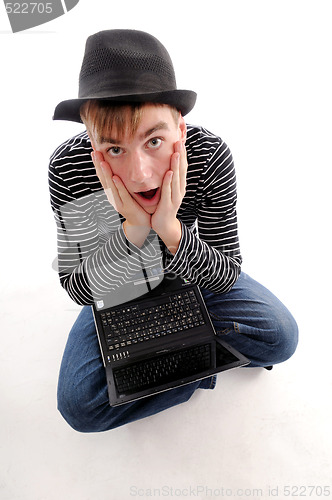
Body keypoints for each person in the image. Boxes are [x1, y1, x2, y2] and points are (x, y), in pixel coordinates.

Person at [49, 29, 298, 432]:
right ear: (91, 140)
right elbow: (79, 289)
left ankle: (165, 361)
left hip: (192, 277)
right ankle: (198, 362)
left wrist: (169, 229)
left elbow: (226, 273)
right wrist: (131, 231)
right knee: (81, 406)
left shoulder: (208, 156)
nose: (139, 174)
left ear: (180, 129)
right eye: (115, 149)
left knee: (280, 337)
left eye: (154, 141)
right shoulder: (69, 169)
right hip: (119, 293)